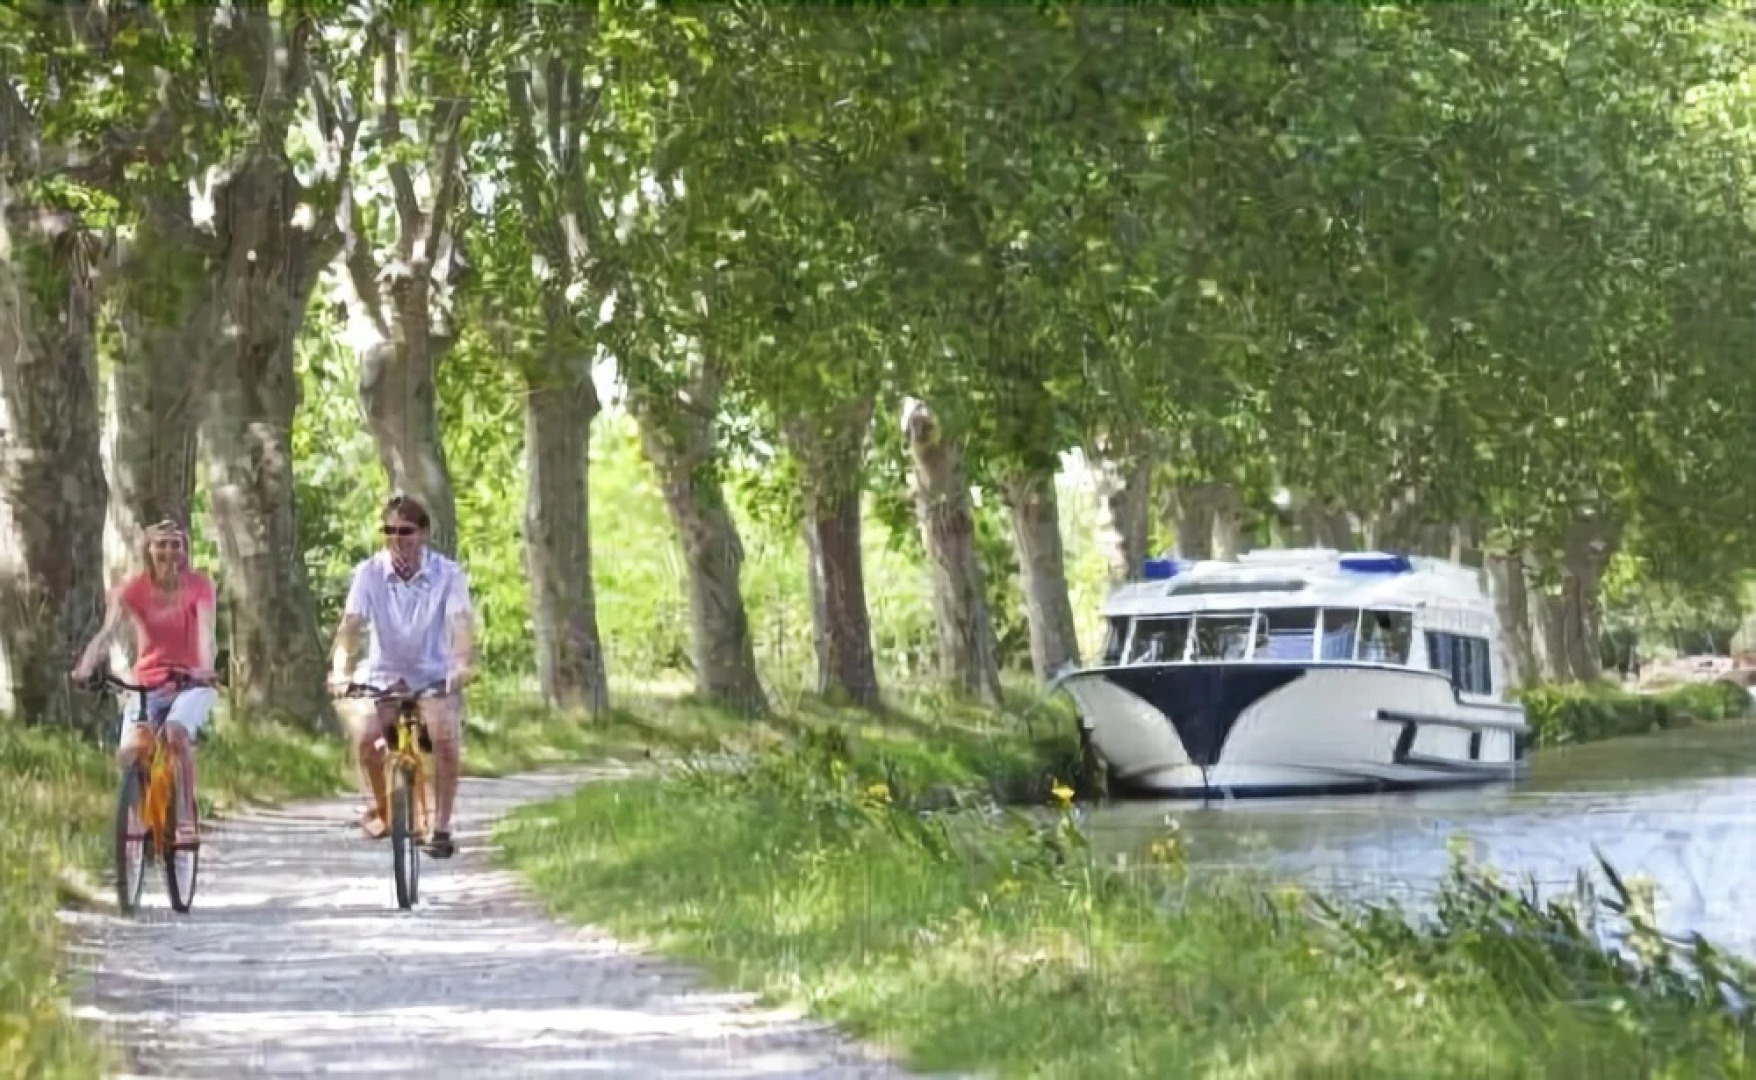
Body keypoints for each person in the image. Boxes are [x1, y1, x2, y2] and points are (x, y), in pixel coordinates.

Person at [327, 494, 476, 858]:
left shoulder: (448, 574)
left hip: (433, 675)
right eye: (389, 531)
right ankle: (385, 809)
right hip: (384, 676)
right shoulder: (369, 573)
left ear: (423, 534)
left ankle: (440, 827)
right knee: (368, 739)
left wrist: (460, 666)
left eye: (405, 531)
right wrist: (341, 669)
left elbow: (461, 627)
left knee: (443, 736)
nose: (397, 539)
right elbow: (351, 627)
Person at [70, 519, 218, 840]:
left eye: (175, 544)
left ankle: (184, 817)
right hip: (148, 682)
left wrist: (204, 670)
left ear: (185, 550)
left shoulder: (199, 585)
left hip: (190, 682)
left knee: (176, 734)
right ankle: (139, 824)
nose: (168, 551)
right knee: (130, 753)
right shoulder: (133, 589)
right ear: (148, 549)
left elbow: (206, 633)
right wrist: (86, 665)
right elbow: (108, 632)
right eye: (160, 544)